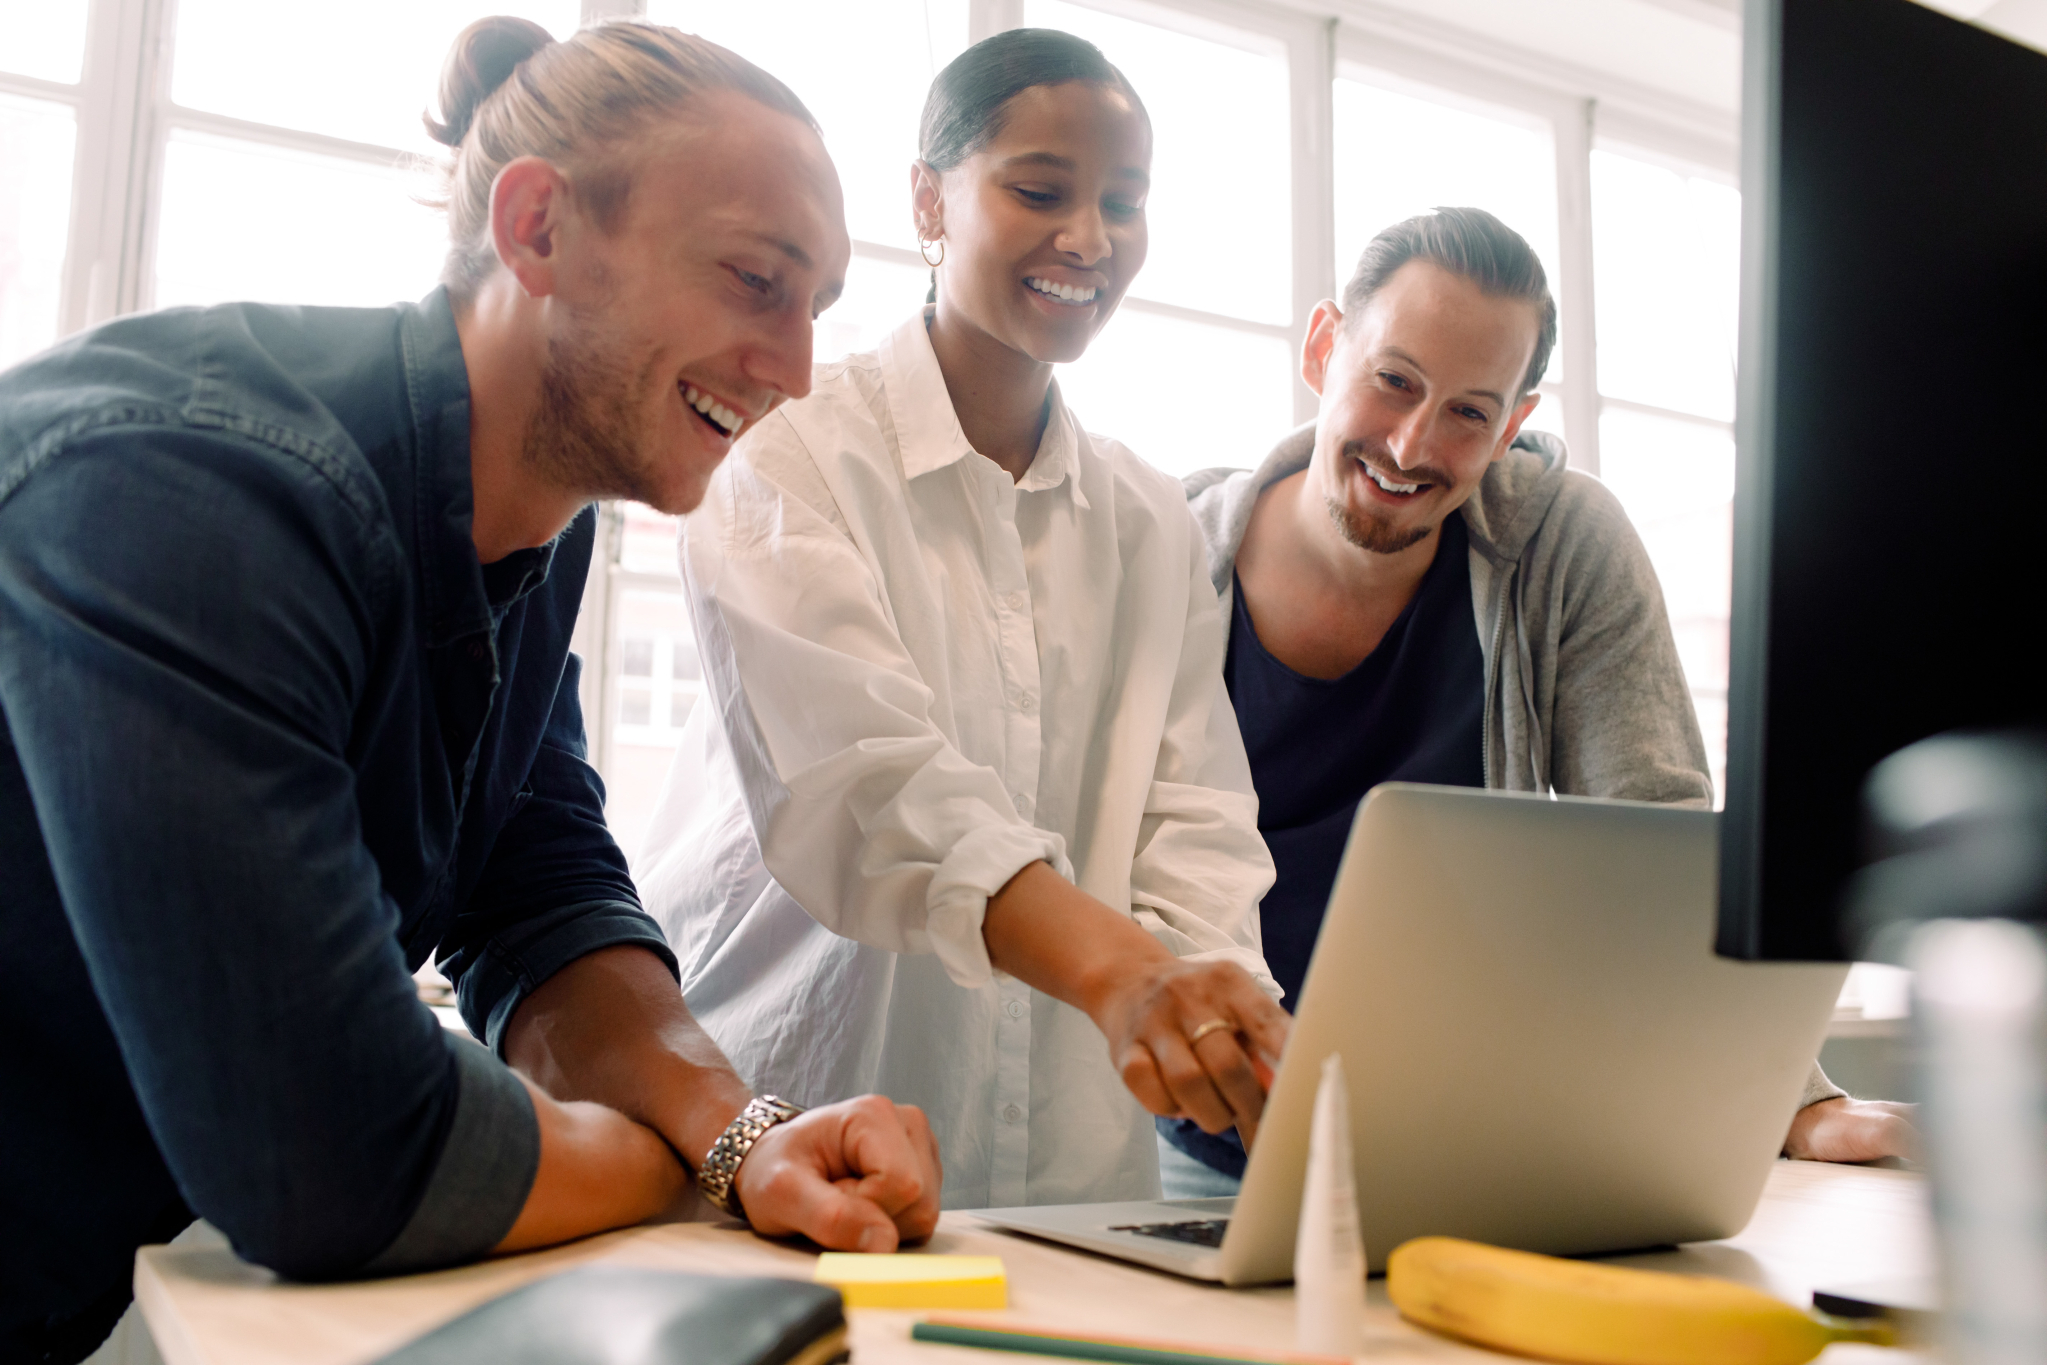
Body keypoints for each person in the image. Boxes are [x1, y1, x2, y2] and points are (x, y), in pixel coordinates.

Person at [0, 20, 943, 1363]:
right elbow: (326, 1157)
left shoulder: (534, 532)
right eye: (754, 280)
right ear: (538, 226)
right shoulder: (191, 494)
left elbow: (542, 896)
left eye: (815, 309)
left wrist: (747, 1135)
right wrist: (676, 1166)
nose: (794, 369)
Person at [634, 28, 1288, 1211]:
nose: (1088, 239)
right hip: (796, 1123)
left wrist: (1209, 1001)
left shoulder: (1148, 517)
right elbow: (874, 782)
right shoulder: (785, 443)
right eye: (1040, 190)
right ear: (929, 200)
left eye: (1123, 204)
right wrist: (1128, 974)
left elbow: (1195, 816)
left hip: (1070, 1181)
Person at [1159, 207, 1915, 1196]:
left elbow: (1657, 846)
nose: (1411, 443)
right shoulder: (1169, 551)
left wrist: (1794, 1098)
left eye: (1470, 412)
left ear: (1513, 424)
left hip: (1471, 1133)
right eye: (1393, 380)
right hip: (1210, 1138)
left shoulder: (1564, 545)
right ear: (1322, 347)